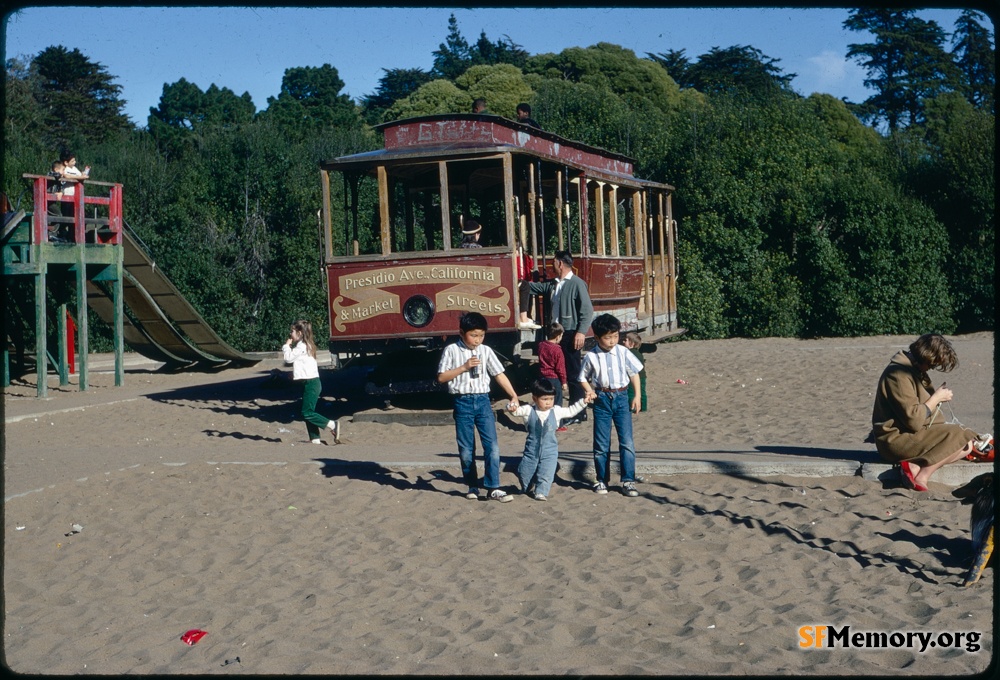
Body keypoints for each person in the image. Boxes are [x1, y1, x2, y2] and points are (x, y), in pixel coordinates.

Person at [871, 333, 991, 491]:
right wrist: (936, 397)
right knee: (963, 437)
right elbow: (913, 420)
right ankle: (922, 475)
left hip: (907, 434)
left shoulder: (912, 370)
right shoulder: (898, 375)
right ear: (925, 357)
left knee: (966, 445)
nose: (931, 369)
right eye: (932, 365)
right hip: (895, 440)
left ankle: (915, 465)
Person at [437, 311, 521, 502]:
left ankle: (493, 487)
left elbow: (498, 373)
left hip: (483, 401)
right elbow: (441, 377)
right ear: (461, 332)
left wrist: (513, 395)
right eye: (473, 335)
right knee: (466, 449)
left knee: (492, 446)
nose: (477, 340)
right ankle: (472, 485)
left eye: (481, 335)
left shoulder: (486, 350)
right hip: (462, 401)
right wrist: (464, 367)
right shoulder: (451, 350)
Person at [522, 250, 594, 422]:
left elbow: (587, 310)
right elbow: (534, 288)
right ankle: (562, 412)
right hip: (556, 335)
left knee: (573, 373)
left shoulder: (577, 283)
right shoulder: (554, 284)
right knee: (557, 372)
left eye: (553, 262)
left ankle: (579, 412)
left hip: (570, 333)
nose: (551, 265)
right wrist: (520, 283)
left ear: (560, 263)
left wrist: (581, 332)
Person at [579, 313, 643, 497]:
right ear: (597, 337)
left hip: (621, 397)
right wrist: (588, 390)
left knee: (627, 441)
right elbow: (582, 377)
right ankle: (601, 480)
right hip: (601, 399)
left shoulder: (623, 352)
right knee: (601, 443)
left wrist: (636, 395)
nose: (612, 340)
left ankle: (628, 480)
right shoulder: (591, 356)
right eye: (608, 337)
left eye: (615, 336)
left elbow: (634, 374)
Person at [506, 379, 593, 501]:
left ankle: (541, 491)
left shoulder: (556, 411)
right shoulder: (528, 410)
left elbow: (571, 411)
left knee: (546, 471)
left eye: (551, 399)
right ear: (535, 398)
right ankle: (526, 486)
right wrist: (511, 407)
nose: (548, 403)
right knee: (524, 471)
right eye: (544, 399)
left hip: (550, 449)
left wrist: (583, 402)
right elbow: (515, 411)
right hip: (531, 449)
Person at [282, 319, 341, 445]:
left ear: (299, 332)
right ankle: (314, 438)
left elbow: (288, 358)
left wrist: (286, 345)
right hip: (308, 382)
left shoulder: (302, 346)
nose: (290, 334)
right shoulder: (305, 345)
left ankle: (332, 424)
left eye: (292, 331)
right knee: (308, 410)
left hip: (311, 383)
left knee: (306, 412)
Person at [538, 322, 567, 409]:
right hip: (554, 379)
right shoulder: (557, 350)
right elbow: (560, 368)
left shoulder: (541, 345)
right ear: (558, 336)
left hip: (542, 377)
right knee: (557, 403)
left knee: (545, 401)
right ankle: (558, 421)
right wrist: (564, 382)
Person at [59, 151, 89, 221]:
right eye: (72, 161)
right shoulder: (64, 168)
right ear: (66, 162)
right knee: (66, 216)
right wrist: (81, 177)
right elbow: (66, 176)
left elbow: (79, 175)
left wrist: (83, 174)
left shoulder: (74, 169)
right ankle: (62, 230)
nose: (74, 162)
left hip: (75, 196)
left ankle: (72, 231)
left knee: (75, 215)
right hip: (67, 195)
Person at [622, 331, 648, 412]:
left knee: (631, 392)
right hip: (642, 375)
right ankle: (643, 407)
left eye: (625, 340)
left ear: (632, 343)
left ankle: (632, 407)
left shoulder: (629, 353)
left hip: (633, 376)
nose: (623, 342)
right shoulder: (638, 353)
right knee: (642, 392)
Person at [46, 160, 68, 242]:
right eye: (62, 170)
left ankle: (53, 233)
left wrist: (61, 192)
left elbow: (61, 186)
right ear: (56, 169)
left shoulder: (58, 179)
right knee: (58, 215)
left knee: (56, 215)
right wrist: (63, 175)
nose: (63, 172)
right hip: (47, 201)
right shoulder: (51, 174)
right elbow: (56, 174)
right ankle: (52, 233)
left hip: (51, 201)